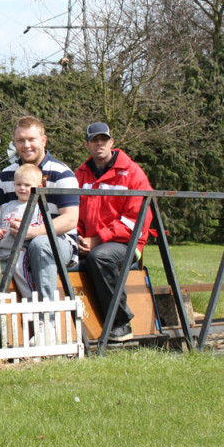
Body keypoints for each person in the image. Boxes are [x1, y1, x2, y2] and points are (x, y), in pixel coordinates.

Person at [0, 116, 79, 303]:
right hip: (11, 240)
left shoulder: (62, 173)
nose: (26, 145)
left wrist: (32, 232)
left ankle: (47, 314)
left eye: (31, 139)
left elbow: (70, 219)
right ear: (15, 142)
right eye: (20, 140)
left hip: (57, 241)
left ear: (43, 140)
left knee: (40, 244)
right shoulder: (7, 174)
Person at [75, 122, 154, 342]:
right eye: (94, 140)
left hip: (126, 243)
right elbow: (73, 212)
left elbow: (136, 222)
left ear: (112, 142)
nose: (99, 144)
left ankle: (121, 323)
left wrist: (98, 239)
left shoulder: (133, 173)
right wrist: (79, 237)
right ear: (87, 145)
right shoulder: (80, 174)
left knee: (100, 257)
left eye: (103, 139)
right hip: (88, 241)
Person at [0, 162, 45, 299]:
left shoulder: (38, 208)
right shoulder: (6, 206)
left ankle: (30, 299)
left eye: (28, 185)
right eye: (18, 184)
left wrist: (25, 228)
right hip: (1, 249)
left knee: (17, 266)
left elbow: (38, 226)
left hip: (21, 250)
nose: (22, 188)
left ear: (39, 187)